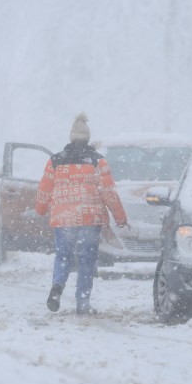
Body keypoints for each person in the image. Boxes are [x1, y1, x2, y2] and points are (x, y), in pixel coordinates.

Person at [35, 113, 128, 315]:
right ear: (87, 138)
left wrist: (41, 209)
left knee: (63, 256)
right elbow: (109, 193)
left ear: (71, 137)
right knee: (86, 260)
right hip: (89, 218)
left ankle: (58, 285)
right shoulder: (97, 162)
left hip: (63, 219)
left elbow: (45, 189)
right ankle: (82, 303)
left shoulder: (55, 161)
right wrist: (120, 217)